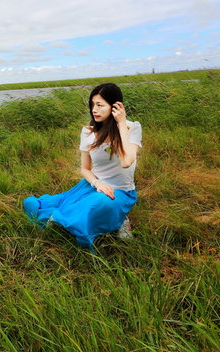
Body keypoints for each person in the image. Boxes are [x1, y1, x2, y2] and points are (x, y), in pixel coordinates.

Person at [23, 83, 142, 250]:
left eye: (100, 105)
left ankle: (120, 218)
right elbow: (85, 168)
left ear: (115, 106)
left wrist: (121, 124)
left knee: (96, 203)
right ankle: (68, 219)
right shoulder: (88, 132)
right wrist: (97, 184)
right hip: (92, 186)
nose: (94, 110)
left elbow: (126, 162)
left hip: (121, 191)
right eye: (92, 105)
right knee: (54, 205)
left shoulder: (132, 127)